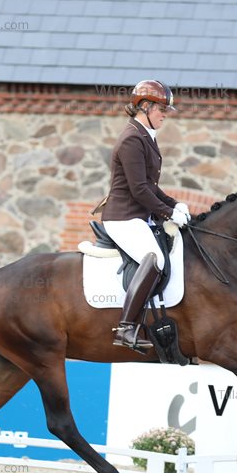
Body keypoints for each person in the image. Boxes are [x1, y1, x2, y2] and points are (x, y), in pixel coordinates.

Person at [99, 80, 191, 349]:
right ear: (145, 106)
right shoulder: (132, 139)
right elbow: (139, 189)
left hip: (137, 216)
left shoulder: (145, 136)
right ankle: (125, 328)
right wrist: (168, 213)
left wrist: (174, 204)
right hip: (123, 218)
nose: (165, 114)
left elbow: (150, 185)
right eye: (162, 109)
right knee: (155, 259)